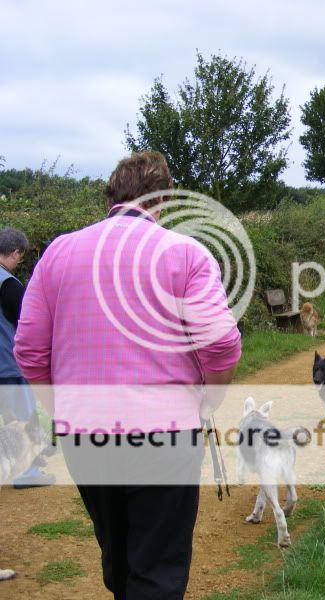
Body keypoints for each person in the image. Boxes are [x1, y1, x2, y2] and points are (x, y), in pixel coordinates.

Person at [14, 151, 242, 599]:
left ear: (111, 196)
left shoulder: (59, 252)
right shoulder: (186, 254)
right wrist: (209, 401)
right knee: (156, 567)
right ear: (164, 201)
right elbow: (219, 343)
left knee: (117, 557)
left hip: (85, 430)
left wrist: (61, 409)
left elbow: (28, 349)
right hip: (165, 431)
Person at [0, 227, 54, 488]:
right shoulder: (8, 284)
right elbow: (26, 324)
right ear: (15, 252)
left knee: (7, 420)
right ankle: (27, 472)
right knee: (23, 421)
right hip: (9, 365)